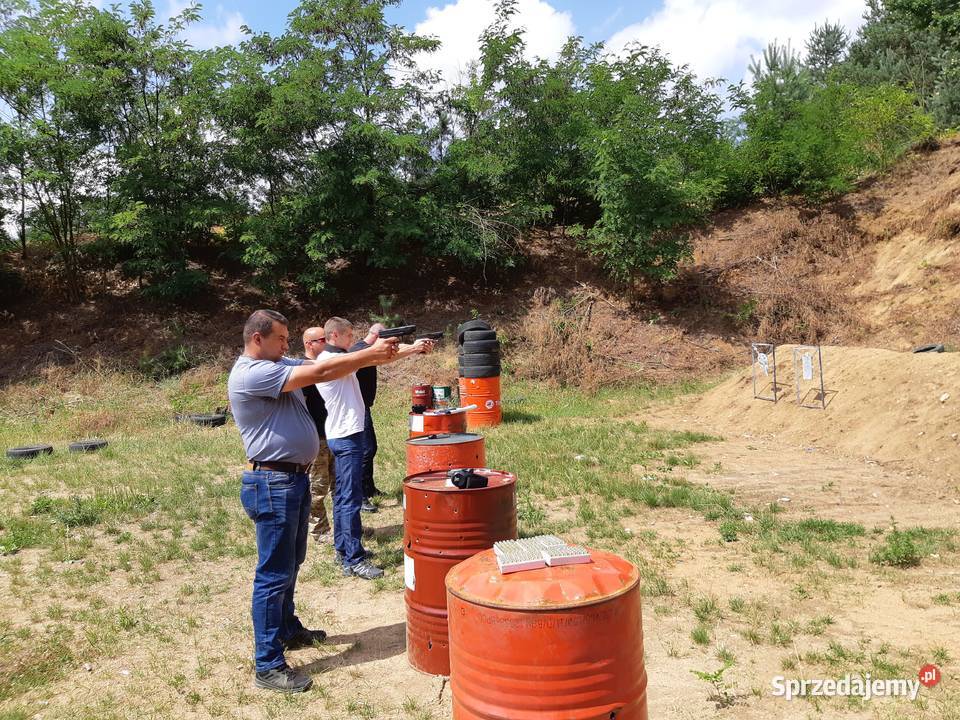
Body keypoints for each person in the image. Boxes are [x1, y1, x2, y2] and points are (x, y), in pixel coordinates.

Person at [228, 309, 399, 693]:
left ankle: (287, 629)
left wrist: (377, 350)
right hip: (272, 482)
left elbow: (326, 362)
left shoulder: (274, 362)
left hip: (289, 480)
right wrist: (371, 355)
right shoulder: (254, 372)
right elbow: (322, 372)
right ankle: (268, 664)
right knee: (273, 575)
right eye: (281, 339)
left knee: (291, 563)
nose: (288, 345)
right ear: (258, 338)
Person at [350, 322, 434, 512]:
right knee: (365, 450)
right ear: (380, 338)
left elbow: (393, 352)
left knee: (370, 449)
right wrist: (414, 348)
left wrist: (416, 346)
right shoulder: (360, 351)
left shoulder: (367, 348)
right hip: (356, 408)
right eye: (391, 341)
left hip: (363, 406)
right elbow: (381, 357)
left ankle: (369, 489)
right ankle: (361, 496)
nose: (393, 346)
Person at [300, 327, 336, 543]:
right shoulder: (302, 371)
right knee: (318, 487)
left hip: (334, 433)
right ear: (309, 344)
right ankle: (319, 530)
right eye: (323, 339)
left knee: (338, 486)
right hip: (316, 437)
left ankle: (341, 528)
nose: (327, 342)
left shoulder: (327, 365)